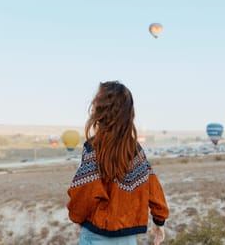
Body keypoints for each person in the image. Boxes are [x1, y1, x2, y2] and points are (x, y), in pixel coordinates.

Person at [67, 81, 169, 245]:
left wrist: (77, 217)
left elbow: (85, 191)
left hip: (95, 234)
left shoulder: (94, 148)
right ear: (129, 113)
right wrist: (159, 220)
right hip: (127, 238)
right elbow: (152, 186)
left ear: (99, 110)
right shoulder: (135, 151)